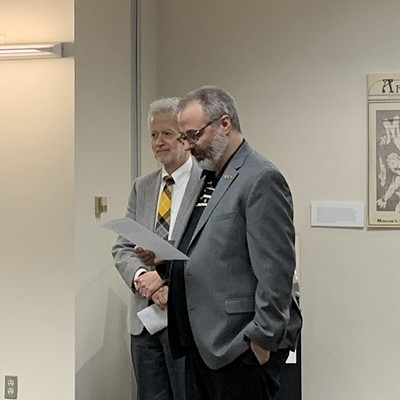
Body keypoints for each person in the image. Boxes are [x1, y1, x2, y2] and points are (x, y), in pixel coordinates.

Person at [141, 86, 303, 400]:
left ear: (224, 124)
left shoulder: (261, 178)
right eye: (184, 138)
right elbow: (208, 247)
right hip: (201, 343)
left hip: (238, 346)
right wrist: (164, 263)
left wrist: (261, 342)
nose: (188, 147)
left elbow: (277, 271)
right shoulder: (210, 177)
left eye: (193, 135)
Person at [112, 97, 202, 400]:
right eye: (153, 135)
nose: (158, 142)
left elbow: (207, 250)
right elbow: (122, 248)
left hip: (187, 320)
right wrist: (143, 280)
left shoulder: (209, 183)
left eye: (166, 134)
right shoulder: (143, 186)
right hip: (145, 321)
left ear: (186, 138)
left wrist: (166, 280)